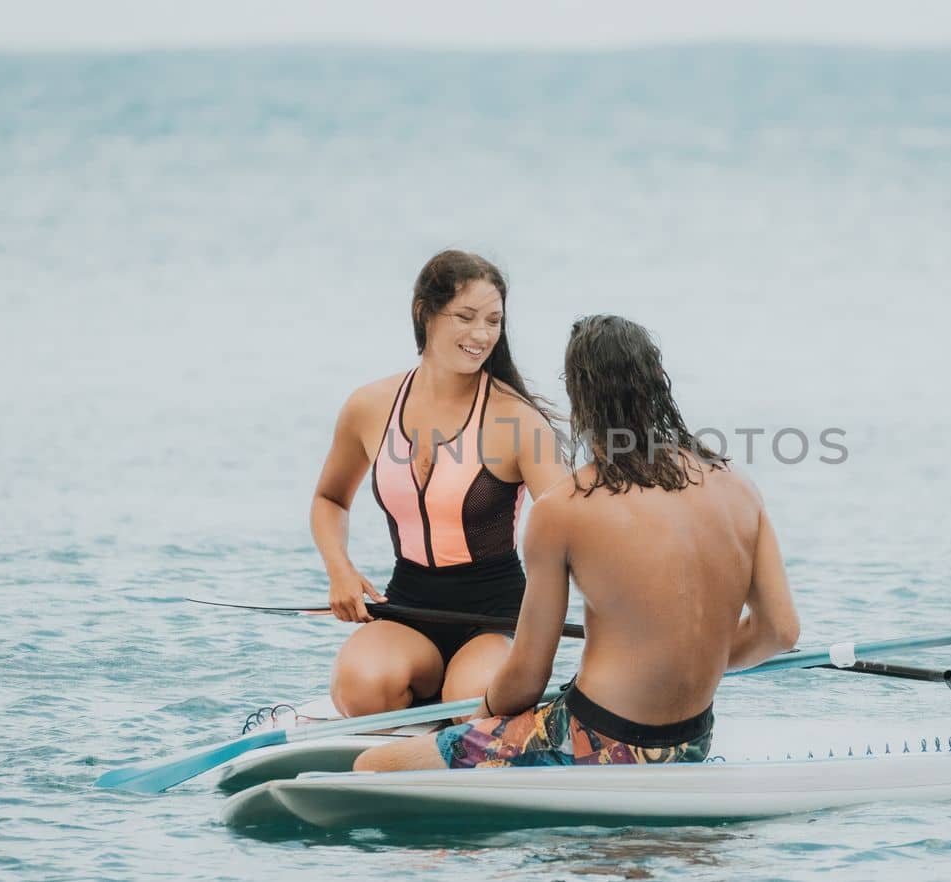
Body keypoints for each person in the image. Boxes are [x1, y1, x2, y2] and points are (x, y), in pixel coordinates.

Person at [355, 314, 800, 771]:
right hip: (690, 741)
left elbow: (528, 678)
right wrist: (684, 655)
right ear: (657, 383)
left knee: (372, 766)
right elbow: (781, 631)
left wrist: (478, 715)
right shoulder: (739, 487)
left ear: (580, 397)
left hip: (593, 738)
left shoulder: (565, 507)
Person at [312, 250, 564, 718]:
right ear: (423, 312)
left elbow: (576, 529)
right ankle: (421, 701)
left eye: (493, 320)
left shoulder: (518, 421)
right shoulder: (369, 406)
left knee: (474, 706)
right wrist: (339, 570)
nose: (482, 334)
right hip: (408, 606)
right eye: (465, 317)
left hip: (497, 618)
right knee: (359, 690)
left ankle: (458, 704)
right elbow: (329, 500)